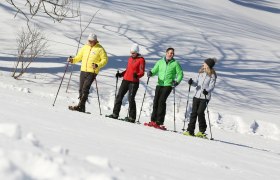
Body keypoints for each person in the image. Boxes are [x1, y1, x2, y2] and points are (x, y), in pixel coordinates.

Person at [68, 33, 108, 112]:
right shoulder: (85, 47)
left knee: (85, 88)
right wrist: (72, 60)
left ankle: (80, 106)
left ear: (95, 41)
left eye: (91, 41)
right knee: (80, 89)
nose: (90, 42)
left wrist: (97, 65)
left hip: (92, 71)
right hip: (83, 70)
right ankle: (81, 106)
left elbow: (105, 60)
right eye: (89, 41)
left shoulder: (100, 49)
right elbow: (79, 57)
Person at [145, 47, 183, 130]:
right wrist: (150, 73)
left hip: (168, 85)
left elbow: (180, 74)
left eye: (172, 53)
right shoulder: (160, 62)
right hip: (159, 84)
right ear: (166, 53)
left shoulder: (175, 63)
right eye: (169, 53)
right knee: (156, 101)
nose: (171, 54)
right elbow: (155, 70)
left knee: (161, 101)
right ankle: (153, 120)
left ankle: (159, 121)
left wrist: (176, 82)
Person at [107, 44, 145, 122]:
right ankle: (115, 114)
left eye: (133, 53)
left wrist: (137, 76)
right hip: (125, 80)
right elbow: (128, 70)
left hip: (134, 82)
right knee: (119, 96)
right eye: (131, 53)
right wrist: (121, 74)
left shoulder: (141, 60)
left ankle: (132, 117)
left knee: (130, 99)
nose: (132, 54)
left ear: (137, 52)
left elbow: (142, 72)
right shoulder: (130, 59)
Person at [183, 58, 217, 138]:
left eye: (205, 63)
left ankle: (202, 131)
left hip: (205, 97)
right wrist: (191, 83)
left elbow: (212, 86)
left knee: (200, 112)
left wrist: (207, 91)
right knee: (194, 113)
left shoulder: (212, 75)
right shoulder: (201, 72)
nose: (203, 64)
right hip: (196, 95)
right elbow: (196, 84)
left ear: (208, 65)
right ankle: (190, 130)